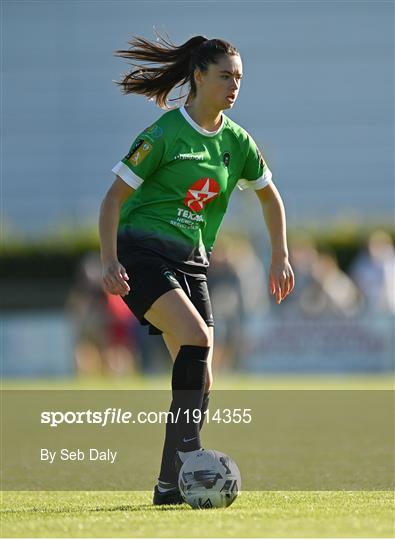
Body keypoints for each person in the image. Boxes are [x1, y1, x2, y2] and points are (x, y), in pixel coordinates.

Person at [98, 34, 295, 505]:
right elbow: (113, 201)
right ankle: (190, 449)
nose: (234, 85)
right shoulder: (164, 134)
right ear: (199, 76)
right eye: (226, 75)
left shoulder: (236, 141)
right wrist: (108, 259)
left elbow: (270, 196)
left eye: (240, 78)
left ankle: (169, 485)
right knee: (198, 339)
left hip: (193, 262)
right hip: (141, 253)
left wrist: (281, 254)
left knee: (202, 378)